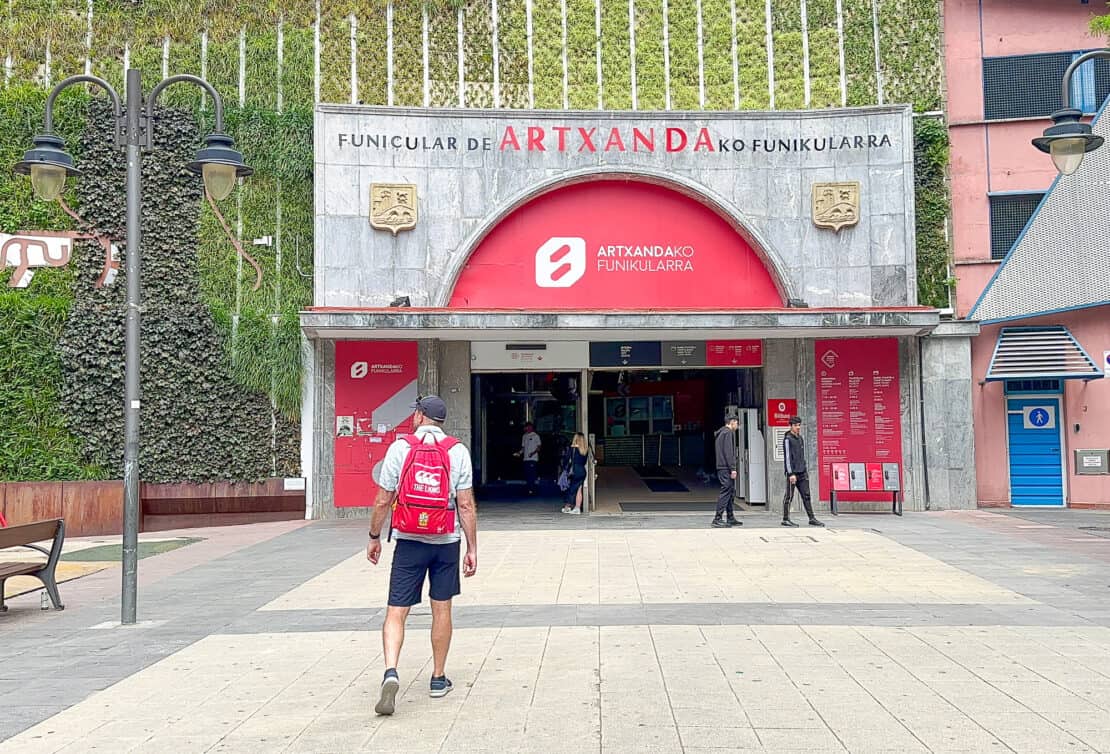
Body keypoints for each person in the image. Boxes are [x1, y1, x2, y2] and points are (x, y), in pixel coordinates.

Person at [366, 395, 478, 715]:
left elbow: (382, 500)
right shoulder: (457, 451)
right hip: (445, 540)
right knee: (441, 609)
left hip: (409, 540)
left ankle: (391, 671)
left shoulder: (400, 449)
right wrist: (471, 548)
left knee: (396, 611)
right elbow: (466, 505)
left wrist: (375, 537)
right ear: (441, 421)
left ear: (418, 416)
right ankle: (438, 678)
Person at [782, 415, 823, 527]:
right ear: (790, 426)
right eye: (795, 425)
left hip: (802, 472)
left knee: (806, 495)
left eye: (799, 425)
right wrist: (791, 473)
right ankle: (785, 519)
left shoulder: (800, 438)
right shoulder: (787, 439)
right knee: (789, 496)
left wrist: (804, 469)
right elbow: (787, 458)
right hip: (793, 474)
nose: (798, 427)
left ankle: (812, 518)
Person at [712, 413, 743, 528]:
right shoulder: (728, 433)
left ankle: (730, 517)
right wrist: (733, 468)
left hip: (721, 466)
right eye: (736, 422)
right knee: (726, 492)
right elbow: (729, 452)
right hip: (726, 468)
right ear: (732, 422)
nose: (737, 425)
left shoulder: (721, 433)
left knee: (730, 492)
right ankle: (717, 518)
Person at [561, 433, 590, 515]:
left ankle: (568, 507)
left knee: (571, 489)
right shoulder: (585, 449)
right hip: (582, 471)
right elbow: (584, 462)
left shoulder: (572, 449)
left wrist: (564, 468)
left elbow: (566, 460)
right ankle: (577, 508)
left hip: (574, 470)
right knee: (578, 490)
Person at [516, 422, 542, 495]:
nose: (527, 428)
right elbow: (523, 447)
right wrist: (519, 453)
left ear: (531, 427)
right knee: (527, 474)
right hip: (526, 458)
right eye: (526, 427)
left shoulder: (536, 436)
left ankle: (532, 489)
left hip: (533, 458)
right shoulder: (524, 436)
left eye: (528, 427)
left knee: (532, 474)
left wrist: (533, 453)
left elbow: (539, 447)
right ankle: (529, 488)